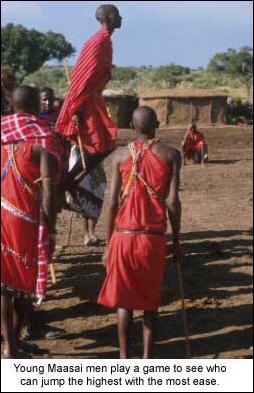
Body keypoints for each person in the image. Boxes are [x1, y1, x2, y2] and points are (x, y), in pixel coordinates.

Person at [98, 106, 182, 359]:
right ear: (157, 124)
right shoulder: (171, 154)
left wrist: (108, 243)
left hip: (122, 236)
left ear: (133, 127)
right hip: (152, 238)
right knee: (150, 301)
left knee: (124, 302)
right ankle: (146, 357)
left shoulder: (119, 156)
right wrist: (176, 241)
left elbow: (112, 203)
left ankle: (124, 357)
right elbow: (172, 202)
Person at [1, 86, 59, 358]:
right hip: (23, 221)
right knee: (20, 283)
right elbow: (50, 190)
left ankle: (11, 344)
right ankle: (12, 346)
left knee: (4, 282)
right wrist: (49, 227)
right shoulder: (42, 138)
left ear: (12, 106)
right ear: (37, 105)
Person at [56, 4, 122, 189]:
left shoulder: (104, 41)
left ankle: (70, 182)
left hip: (92, 99)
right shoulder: (98, 42)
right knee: (102, 147)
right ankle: (66, 184)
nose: (121, 18)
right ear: (108, 18)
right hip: (86, 101)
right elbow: (83, 77)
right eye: (117, 15)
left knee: (106, 146)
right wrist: (75, 108)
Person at [68, 144, 107, 246]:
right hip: (82, 165)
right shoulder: (76, 144)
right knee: (85, 199)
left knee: (97, 198)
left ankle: (91, 233)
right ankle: (87, 234)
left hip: (95, 165)